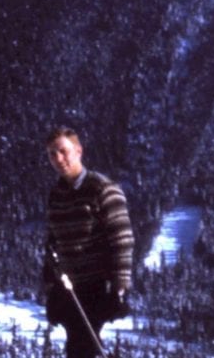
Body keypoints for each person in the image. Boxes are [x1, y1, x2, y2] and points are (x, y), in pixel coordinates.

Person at [42, 126, 133, 358]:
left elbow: (121, 240)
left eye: (63, 151)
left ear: (79, 151)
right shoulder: (57, 194)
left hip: (97, 284)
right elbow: (53, 242)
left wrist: (119, 287)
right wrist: (51, 284)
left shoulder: (102, 189)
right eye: (52, 154)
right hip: (70, 286)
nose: (58, 159)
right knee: (80, 347)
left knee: (82, 347)